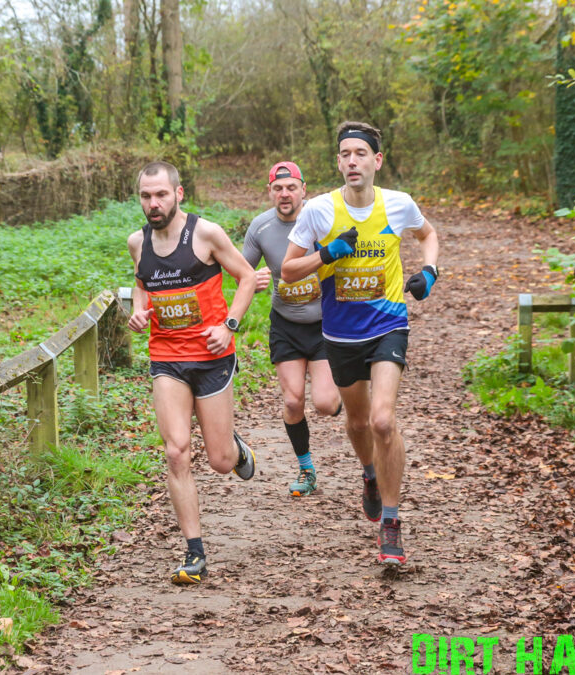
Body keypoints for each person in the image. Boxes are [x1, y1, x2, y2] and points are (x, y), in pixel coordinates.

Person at [280, 121, 440, 566]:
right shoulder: (318, 212)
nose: (353, 161)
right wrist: (327, 254)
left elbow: (428, 235)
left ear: (376, 161)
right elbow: (288, 272)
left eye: (361, 154)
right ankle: (370, 473)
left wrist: (429, 272)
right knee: (357, 423)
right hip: (340, 334)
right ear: (338, 162)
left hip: (388, 323)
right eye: (345, 154)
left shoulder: (397, 204)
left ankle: (391, 523)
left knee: (383, 421)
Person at [126, 160, 259, 585]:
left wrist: (229, 325)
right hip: (166, 357)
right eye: (146, 196)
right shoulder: (137, 242)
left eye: (161, 194)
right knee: (176, 451)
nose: (153, 203)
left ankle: (236, 450)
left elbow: (246, 277)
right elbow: (143, 284)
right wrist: (138, 311)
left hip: (212, 356)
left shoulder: (206, 233)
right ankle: (194, 552)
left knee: (219, 460)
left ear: (178, 193)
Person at [242, 161, 341, 497]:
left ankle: (353, 400)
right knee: (293, 400)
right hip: (286, 324)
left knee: (326, 403)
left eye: (291, 187)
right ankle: (307, 469)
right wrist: (250, 281)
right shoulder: (260, 227)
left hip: (324, 324)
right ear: (270, 192)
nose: (285, 194)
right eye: (278, 188)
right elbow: (242, 270)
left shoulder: (322, 218)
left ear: (304, 190)